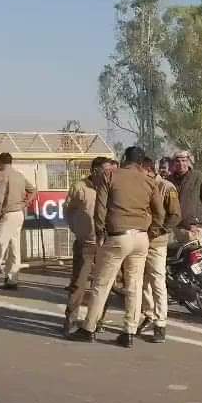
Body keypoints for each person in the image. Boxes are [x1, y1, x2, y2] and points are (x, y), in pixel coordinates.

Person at [70, 146, 164, 348]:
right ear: (140, 163)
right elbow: (160, 213)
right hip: (141, 238)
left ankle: (88, 328)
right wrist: (151, 231)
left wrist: (101, 232)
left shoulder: (110, 176)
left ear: (123, 159)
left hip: (117, 236)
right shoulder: (149, 181)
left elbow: (100, 208)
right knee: (135, 285)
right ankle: (129, 331)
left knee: (102, 284)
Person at [63, 157, 108, 329]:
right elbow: (68, 210)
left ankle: (97, 320)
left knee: (103, 284)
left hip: (106, 245)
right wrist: (77, 229)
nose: (109, 174)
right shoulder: (79, 188)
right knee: (79, 283)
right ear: (95, 170)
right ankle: (71, 319)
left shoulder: (111, 187)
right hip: (86, 243)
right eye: (106, 170)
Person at [140, 157, 182, 343]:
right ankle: (148, 314)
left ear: (150, 169)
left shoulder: (166, 187)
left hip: (157, 242)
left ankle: (160, 323)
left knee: (157, 281)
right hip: (139, 241)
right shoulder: (140, 186)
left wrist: (158, 231)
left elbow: (175, 215)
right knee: (140, 283)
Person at [0, 152, 36, 291]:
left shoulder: (3, 175)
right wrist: (26, 203)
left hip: (7, 214)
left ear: (1, 163)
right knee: (15, 247)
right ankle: (12, 279)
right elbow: (33, 190)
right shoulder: (19, 175)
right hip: (19, 213)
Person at [171, 150, 202, 243]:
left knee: (194, 256)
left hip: (194, 228)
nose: (181, 164)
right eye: (177, 161)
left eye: (183, 160)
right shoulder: (169, 180)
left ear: (188, 162)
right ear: (174, 163)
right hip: (174, 229)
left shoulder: (198, 177)